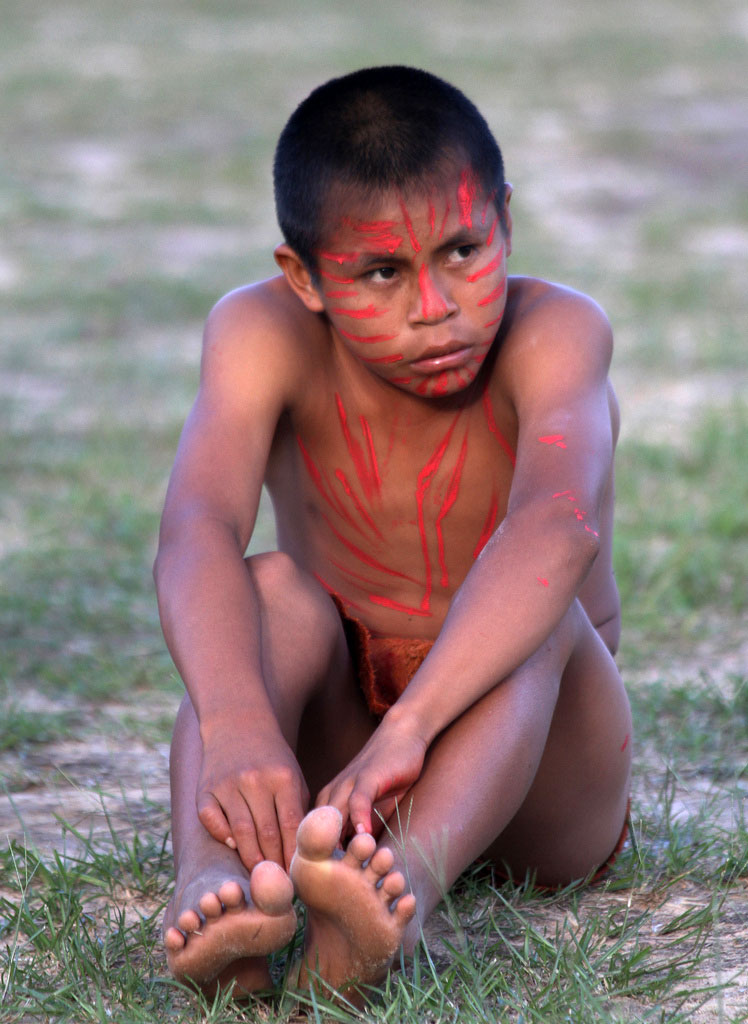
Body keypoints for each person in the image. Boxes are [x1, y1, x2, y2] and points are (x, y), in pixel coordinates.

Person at [154, 64, 632, 1002]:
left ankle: (391, 901)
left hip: (536, 766)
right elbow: (196, 525)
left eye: (463, 249)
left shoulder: (558, 331)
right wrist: (238, 724)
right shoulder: (259, 331)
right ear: (304, 278)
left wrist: (411, 726)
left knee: (541, 614)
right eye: (382, 271)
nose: (436, 306)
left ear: (505, 219)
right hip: (343, 772)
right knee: (267, 588)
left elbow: (555, 524)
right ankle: (218, 883)